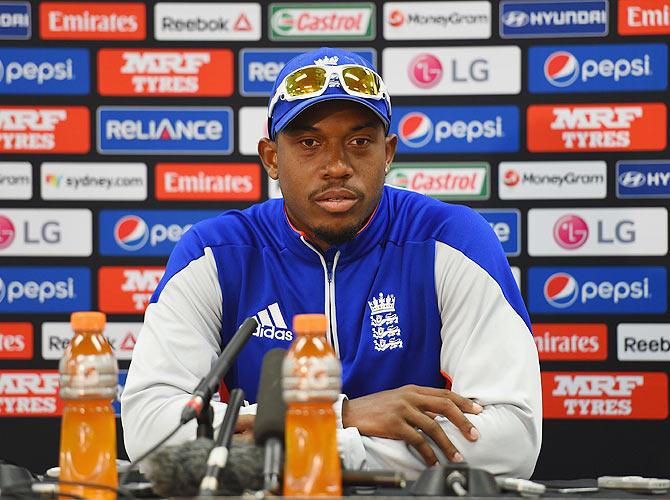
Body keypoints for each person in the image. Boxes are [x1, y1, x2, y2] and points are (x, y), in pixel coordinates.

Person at [121, 47, 542, 479]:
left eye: (360, 142)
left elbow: (510, 441)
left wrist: (298, 446)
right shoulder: (215, 252)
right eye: (309, 143)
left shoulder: (450, 239)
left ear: (388, 152)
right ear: (271, 158)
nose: (337, 166)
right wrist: (345, 414)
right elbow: (150, 431)